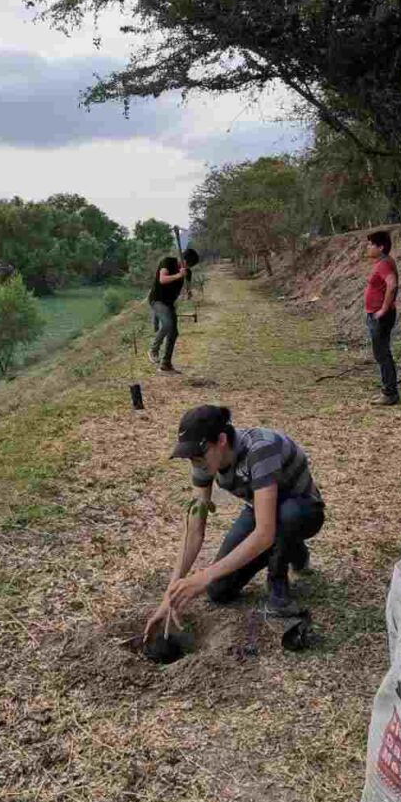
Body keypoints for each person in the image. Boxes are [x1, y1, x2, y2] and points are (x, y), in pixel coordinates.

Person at [144, 405, 325, 638]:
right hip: (261, 510)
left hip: (303, 509)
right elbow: (194, 531)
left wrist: (204, 574)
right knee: (219, 589)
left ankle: (279, 585)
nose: (195, 463)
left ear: (221, 440)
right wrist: (170, 596)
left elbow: (264, 533)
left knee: (286, 517)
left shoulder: (260, 449)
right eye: (190, 458)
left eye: (199, 455)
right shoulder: (204, 463)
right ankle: (293, 548)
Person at [148, 246, 200, 374]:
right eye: (186, 264)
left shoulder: (187, 272)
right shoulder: (167, 262)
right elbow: (162, 279)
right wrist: (178, 275)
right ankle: (153, 350)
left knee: (174, 332)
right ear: (183, 258)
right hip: (157, 300)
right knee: (167, 324)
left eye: (189, 266)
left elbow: (186, 288)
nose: (187, 267)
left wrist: (188, 293)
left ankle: (166, 365)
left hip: (169, 303)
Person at [364, 230, 399, 406]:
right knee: (382, 353)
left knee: (382, 354)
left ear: (381, 247)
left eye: (371, 244)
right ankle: (389, 390)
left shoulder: (384, 264)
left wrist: (383, 309)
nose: (368, 247)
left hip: (381, 317)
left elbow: (392, 285)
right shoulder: (383, 262)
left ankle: (389, 393)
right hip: (377, 315)